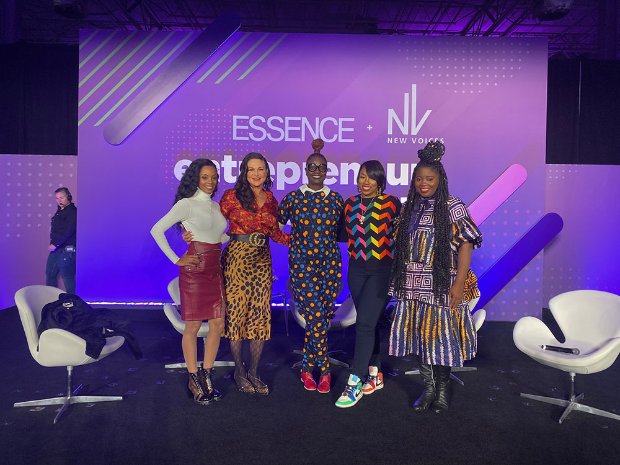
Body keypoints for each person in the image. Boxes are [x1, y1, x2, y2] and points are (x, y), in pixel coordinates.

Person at [389, 141, 482, 413]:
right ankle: (428, 388)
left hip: (441, 285)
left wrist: (458, 283)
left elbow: (466, 243)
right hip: (413, 287)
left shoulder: (453, 206)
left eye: (429, 178)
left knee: (440, 339)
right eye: (418, 179)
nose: (423, 183)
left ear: (440, 179)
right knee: (420, 338)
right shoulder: (410, 208)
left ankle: (441, 390)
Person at [150, 159, 227, 405]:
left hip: (216, 270)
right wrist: (176, 259)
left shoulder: (216, 206)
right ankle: (193, 378)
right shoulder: (186, 204)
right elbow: (156, 230)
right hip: (194, 273)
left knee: (217, 325)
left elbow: (217, 235)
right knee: (192, 328)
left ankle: (207, 374)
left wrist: (241, 234)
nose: (210, 181)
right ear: (196, 178)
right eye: (205, 177)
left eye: (214, 177)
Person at [220, 152, 289, 396]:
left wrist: (304, 239)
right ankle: (239, 370)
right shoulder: (231, 196)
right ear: (244, 172)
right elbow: (214, 225)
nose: (256, 174)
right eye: (251, 169)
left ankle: (254, 371)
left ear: (267, 172)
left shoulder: (271, 199)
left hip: (262, 261)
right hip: (237, 258)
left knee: (260, 316)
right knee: (237, 315)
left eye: (260, 169)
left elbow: (277, 234)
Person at [278, 139, 344, 394]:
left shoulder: (337, 200)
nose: (317, 170)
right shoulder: (293, 198)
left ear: (327, 171)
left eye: (321, 167)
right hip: (301, 264)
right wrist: (293, 242)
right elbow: (275, 227)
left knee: (321, 317)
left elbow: (342, 233)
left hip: (330, 265)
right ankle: (324, 369)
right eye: (312, 166)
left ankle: (307, 369)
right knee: (316, 314)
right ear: (305, 170)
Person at [334, 160, 401, 408]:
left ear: (380, 181)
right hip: (356, 270)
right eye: (362, 176)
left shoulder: (391, 203)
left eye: (371, 177)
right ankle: (375, 373)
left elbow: (403, 235)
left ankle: (354, 381)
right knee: (368, 323)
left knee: (363, 324)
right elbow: (342, 233)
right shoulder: (350, 204)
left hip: (382, 270)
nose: (365, 182)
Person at [46, 187, 77, 294]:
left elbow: (68, 230)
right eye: (57, 198)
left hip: (66, 251)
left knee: (67, 278)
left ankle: (72, 305)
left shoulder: (73, 212)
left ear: (68, 197)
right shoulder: (59, 211)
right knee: (50, 275)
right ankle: (52, 303)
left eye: (62, 197)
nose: (59, 200)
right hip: (56, 250)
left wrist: (55, 243)